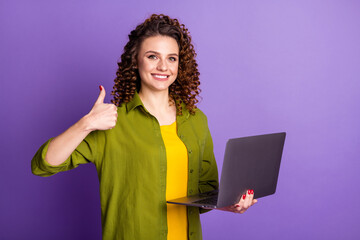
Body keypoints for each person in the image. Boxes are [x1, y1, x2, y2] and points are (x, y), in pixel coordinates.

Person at [31, 14, 257, 240]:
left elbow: (205, 191)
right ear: (135, 61)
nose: (163, 66)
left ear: (181, 64)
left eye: (172, 58)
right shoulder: (111, 122)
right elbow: (43, 165)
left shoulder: (196, 119)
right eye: (152, 56)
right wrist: (86, 124)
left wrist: (228, 204)